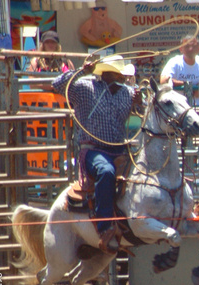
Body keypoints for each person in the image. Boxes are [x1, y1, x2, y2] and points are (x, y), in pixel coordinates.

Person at [52, 56, 142, 254]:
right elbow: (57, 85)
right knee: (106, 171)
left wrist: (140, 103)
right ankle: (104, 228)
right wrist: (79, 72)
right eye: (119, 74)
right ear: (109, 73)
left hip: (120, 149)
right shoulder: (85, 87)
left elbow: (141, 115)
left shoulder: (128, 93)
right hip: (93, 150)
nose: (124, 78)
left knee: (143, 173)